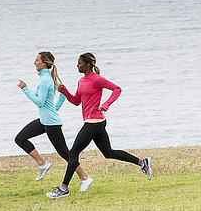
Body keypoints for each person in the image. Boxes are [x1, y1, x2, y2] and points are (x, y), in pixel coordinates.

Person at [46, 52, 152, 199]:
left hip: (94, 123)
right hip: (95, 123)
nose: (77, 65)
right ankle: (142, 163)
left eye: (79, 63)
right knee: (108, 152)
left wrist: (106, 104)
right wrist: (64, 91)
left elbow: (117, 89)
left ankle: (63, 188)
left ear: (88, 64)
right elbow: (77, 101)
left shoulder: (97, 79)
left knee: (73, 153)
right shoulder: (81, 81)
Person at [15, 51, 93, 192]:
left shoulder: (46, 80)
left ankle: (84, 177)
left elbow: (40, 102)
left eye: (36, 60)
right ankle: (42, 163)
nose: (34, 62)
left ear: (44, 63)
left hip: (51, 123)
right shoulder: (46, 78)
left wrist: (25, 89)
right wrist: (53, 110)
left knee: (65, 153)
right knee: (20, 138)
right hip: (45, 120)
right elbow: (61, 97)